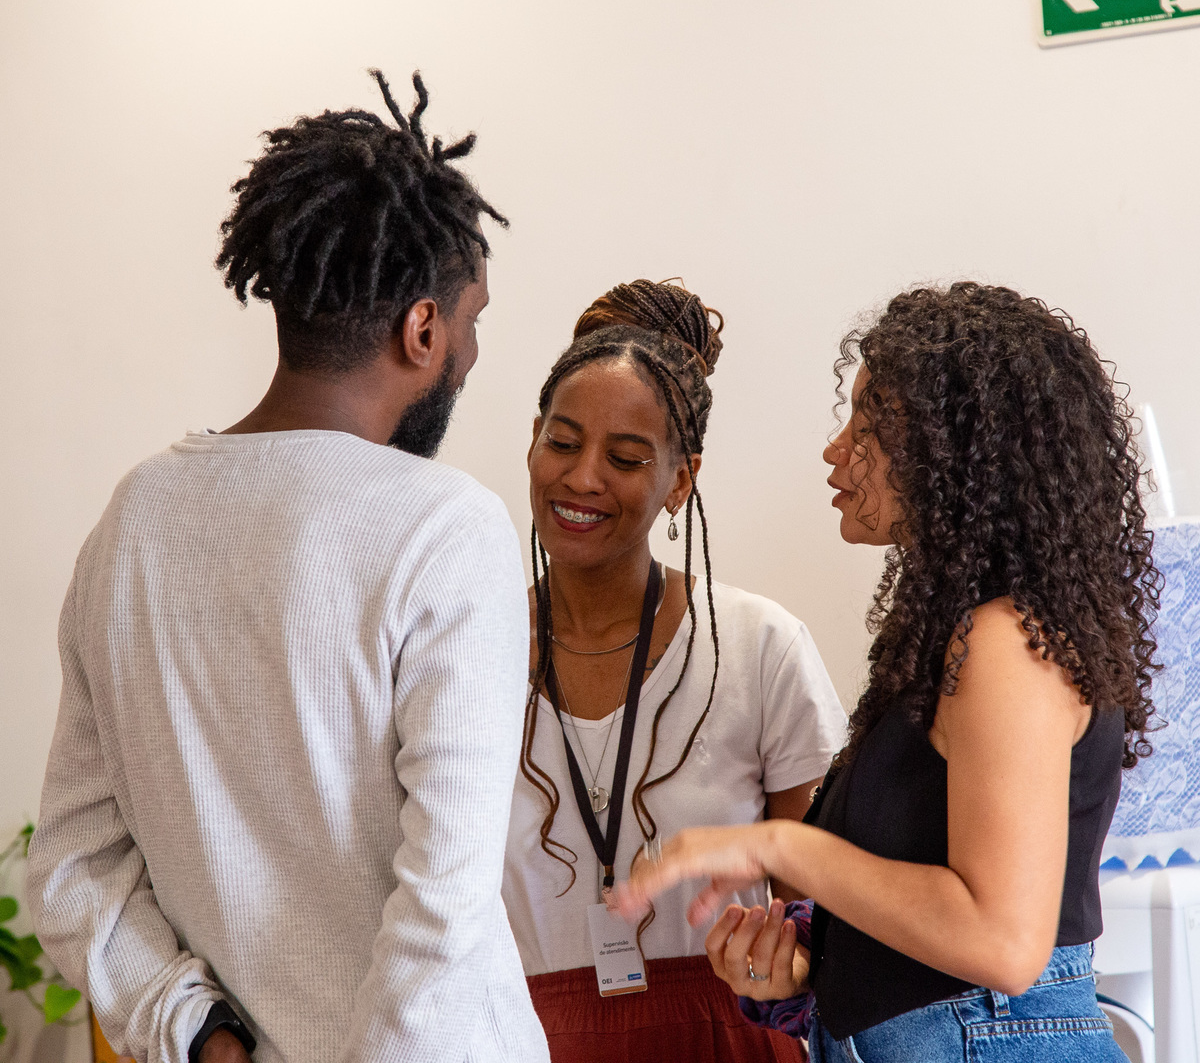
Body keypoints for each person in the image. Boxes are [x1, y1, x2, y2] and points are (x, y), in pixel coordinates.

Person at [27, 72, 550, 1063]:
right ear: (422, 330)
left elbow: (71, 866)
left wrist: (200, 1031)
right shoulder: (450, 530)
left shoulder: (136, 522)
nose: (472, 351)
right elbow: (442, 905)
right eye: (470, 321)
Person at [618, 282, 1159, 1062]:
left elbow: (1004, 944)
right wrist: (806, 965)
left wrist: (783, 849)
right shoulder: (952, 637)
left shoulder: (1006, 643)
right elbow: (931, 913)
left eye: (870, 426)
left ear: (959, 452)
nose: (837, 450)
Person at [503, 279, 846, 1062]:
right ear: (532, 440)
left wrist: (782, 956)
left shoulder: (762, 648)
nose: (584, 478)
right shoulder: (463, 651)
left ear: (680, 480)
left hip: (729, 1034)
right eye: (561, 443)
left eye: (626, 459)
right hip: (523, 1036)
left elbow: (824, 898)